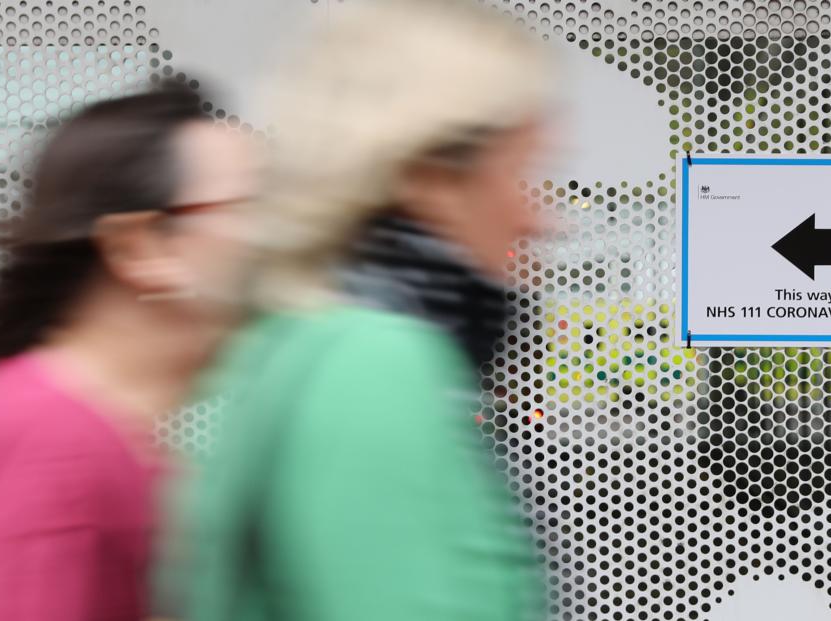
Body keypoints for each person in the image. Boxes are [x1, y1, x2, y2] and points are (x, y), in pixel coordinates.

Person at [182, 1, 556, 620]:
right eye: (526, 173)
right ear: (429, 177)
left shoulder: (289, 339)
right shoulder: (378, 364)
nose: (541, 218)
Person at [0, 82, 255, 621]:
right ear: (140, 246)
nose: (274, 238)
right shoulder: (50, 443)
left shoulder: (102, 439)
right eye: (248, 209)